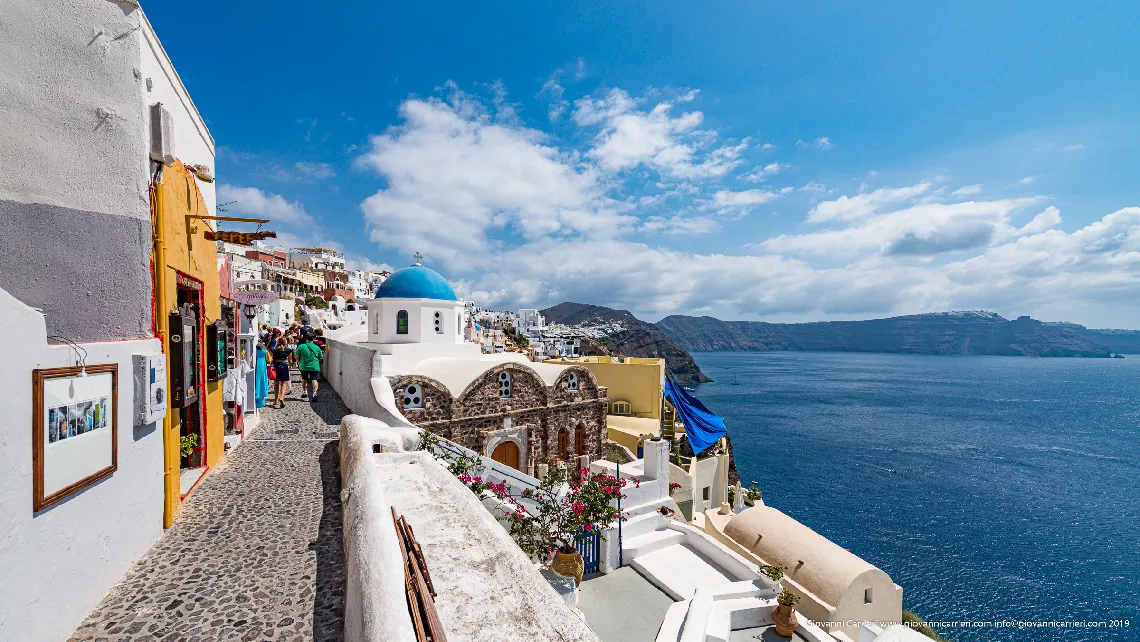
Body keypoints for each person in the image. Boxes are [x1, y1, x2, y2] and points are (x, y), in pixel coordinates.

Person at [295, 335, 324, 401]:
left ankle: (305, 392)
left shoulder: (301, 346)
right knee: (314, 379)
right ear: (314, 338)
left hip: (303, 365)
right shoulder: (317, 347)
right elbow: (321, 357)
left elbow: (297, 357)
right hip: (314, 366)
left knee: (304, 379)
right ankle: (314, 394)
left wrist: (298, 362)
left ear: (305, 339)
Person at [268, 337, 294, 408]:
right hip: (284, 365)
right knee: (283, 383)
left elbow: (270, 359)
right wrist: (290, 366)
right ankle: (281, 398)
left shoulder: (273, 349)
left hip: (276, 366)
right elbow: (290, 360)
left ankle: (276, 400)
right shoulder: (288, 349)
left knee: (276, 383)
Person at [254, 341, 268, 409]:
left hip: (258, 365)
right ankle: (261, 402)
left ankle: (258, 401)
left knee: (258, 381)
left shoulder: (255, 351)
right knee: (262, 381)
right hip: (262, 365)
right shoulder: (264, 351)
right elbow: (269, 359)